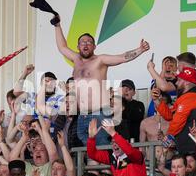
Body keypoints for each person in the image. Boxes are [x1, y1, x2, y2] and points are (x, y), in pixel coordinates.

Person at [53, 15, 150, 145]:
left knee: (100, 151)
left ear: (94, 46)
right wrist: (57, 25)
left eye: (89, 42)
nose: (86, 44)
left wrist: (140, 49)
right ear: (78, 46)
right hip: (82, 115)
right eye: (83, 42)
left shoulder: (100, 60)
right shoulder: (75, 59)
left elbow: (122, 57)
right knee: (86, 153)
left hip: (99, 113)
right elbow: (62, 48)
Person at [87, 118, 153, 176]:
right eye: (112, 142)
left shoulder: (136, 155)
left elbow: (129, 151)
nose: (114, 145)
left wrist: (114, 133)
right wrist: (91, 138)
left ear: (125, 141)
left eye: (117, 141)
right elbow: (92, 154)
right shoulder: (112, 158)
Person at [152, 67, 196, 154]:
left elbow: (177, 122)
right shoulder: (187, 97)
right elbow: (169, 116)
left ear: (187, 82)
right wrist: (157, 100)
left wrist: (166, 141)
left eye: (179, 80)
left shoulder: (193, 97)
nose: (176, 82)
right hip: (193, 148)